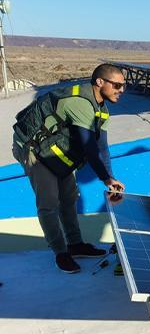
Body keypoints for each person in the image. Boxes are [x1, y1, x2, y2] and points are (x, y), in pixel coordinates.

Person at [12, 63, 127, 274]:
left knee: (69, 197)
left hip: (56, 151)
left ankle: (75, 245)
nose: (121, 90)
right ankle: (60, 253)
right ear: (100, 82)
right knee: (48, 203)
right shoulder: (80, 103)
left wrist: (110, 176)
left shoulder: (102, 110)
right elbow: (89, 148)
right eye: (117, 85)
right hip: (33, 149)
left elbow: (102, 147)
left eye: (123, 86)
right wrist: (106, 179)